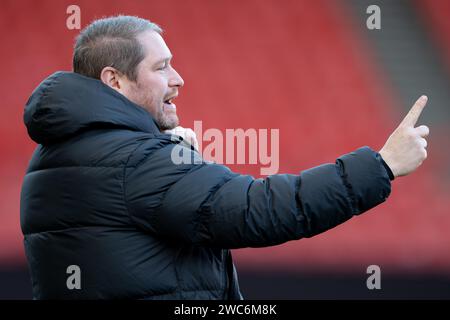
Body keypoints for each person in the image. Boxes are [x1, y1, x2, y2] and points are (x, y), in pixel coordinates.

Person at [20, 15, 429, 299]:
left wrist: (175, 157)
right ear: (115, 81)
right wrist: (382, 165)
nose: (178, 78)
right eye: (162, 67)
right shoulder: (138, 161)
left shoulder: (51, 157)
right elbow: (259, 210)